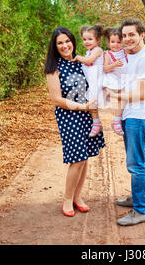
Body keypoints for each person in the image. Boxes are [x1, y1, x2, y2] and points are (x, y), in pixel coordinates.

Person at [45, 26, 106, 217]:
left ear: (73, 41)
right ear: (55, 47)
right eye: (60, 43)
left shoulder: (81, 62)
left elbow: (96, 78)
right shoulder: (53, 69)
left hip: (87, 114)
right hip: (69, 115)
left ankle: (78, 197)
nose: (65, 45)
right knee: (77, 159)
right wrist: (83, 107)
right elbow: (57, 100)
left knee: (85, 156)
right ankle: (67, 199)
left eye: (67, 41)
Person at [109, 18, 145, 226]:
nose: (127, 39)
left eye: (132, 35)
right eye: (125, 35)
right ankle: (136, 198)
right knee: (134, 161)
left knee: (136, 163)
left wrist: (117, 96)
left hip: (138, 116)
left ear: (142, 35)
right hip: (130, 115)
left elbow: (141, 93)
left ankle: (141, 210)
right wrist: (119, 114)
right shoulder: (131, 56)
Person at [73, 24, 106, 137]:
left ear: (97, 40)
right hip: (91, 81)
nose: (86, 42)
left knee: (92, 102)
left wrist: (77, 57)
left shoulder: (97, 50)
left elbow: (89, 61)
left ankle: (97, 124)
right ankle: (96, 123)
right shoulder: (89, 51)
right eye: (84, 39)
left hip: (97, 81)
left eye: (90, 39)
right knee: (91, 103)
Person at [102, 27, 128, 136]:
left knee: (122, 99)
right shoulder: (108, 54)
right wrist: (114, 64)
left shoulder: (125, 52)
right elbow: (105, 68)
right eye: (113, 42)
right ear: (108, 43)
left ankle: (117, 120)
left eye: (118, 42)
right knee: (112, 96)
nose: (116, 45)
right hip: (112, 77)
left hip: (123, 78)